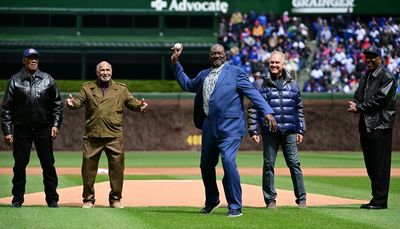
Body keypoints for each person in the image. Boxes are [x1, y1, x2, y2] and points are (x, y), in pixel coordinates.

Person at [170, 44, 277, 217]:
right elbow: (188, 85)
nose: (217, 56)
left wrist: (267, 111)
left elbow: (253, 93)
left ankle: (235, 205)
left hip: (230, 127)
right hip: (209, 126)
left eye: (220, 53)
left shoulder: (236, 72)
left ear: (225, 55)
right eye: (213, 54)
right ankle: (212, 200)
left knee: (228, 161)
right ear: (209, 56)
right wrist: (176, 63)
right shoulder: (203, 74)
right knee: (205, 165)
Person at [66, 61, 148, 209]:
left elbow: (132, 102)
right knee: (88, 170)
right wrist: (72, 103)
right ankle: (88, 200)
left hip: (114, 136)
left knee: (117, 170)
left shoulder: (121, 89)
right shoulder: (87, 88)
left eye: (107, 70)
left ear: (111, 71)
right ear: (97, 72)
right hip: (92, 136)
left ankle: (115, 199)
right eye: (102, 70)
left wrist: (140, 106)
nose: (105, 72)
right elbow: (78, 101)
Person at [1, 48, 63, 208]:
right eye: (30, 58)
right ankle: (17, 199)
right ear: (24, 61)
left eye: (35, 58)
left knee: (48, 164)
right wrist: (7, 131)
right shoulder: (15, 80)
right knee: (20, 165)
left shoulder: (48, 79)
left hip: (44, 128)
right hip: (22, 129)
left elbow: (57, 105)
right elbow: (6, 108)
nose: (33, 60)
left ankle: (52, 199)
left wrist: (56, 124)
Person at [247, 51, 307, 209]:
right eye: (271, 62)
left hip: (289, 131)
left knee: (294, 164)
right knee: (268, 165)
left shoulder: (293, 84)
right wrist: (253, 130)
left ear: (283, 64)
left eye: (277, 63)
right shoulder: (259, 84)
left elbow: (299, 109)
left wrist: (301, 130)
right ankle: (270, 200)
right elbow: (253, 108)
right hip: (269, 132)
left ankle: (302, 199)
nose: (273, 65)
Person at [347, 46, 397, 210]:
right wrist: (355, 103)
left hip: (380, 125)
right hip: (366, 125)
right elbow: (358, 94)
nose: (368, 59)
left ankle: (381, 201)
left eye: (372, 56)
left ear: (380, 58)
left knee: (380, 165)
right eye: (366, 56)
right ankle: (376, 198)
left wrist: (359, 107)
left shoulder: (387, 77)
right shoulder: (365, 76)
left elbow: (380, 100)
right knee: (371, 164)